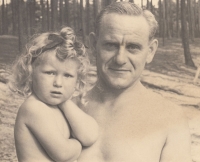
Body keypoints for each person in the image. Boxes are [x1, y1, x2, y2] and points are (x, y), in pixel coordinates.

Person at [77, 2, 192, 162]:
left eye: (133, 47)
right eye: (111, 45)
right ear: (94, 44)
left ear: (150, 51)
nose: (120, 59)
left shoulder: (170, 119)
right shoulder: (67, 108)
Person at [9, 27, 98, 162]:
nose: (58, 83)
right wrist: (78, 143)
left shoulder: (60, 106)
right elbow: (63, 153)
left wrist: (65, 102)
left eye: (67, 75)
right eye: (50, 73)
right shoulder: (34, 108)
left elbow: (90, 135)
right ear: (31, 72)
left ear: (77, 79)